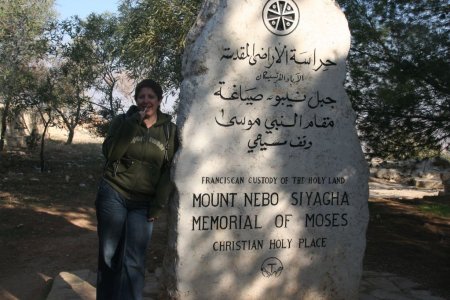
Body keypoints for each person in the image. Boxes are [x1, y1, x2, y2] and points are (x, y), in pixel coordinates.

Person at [95, 79, 178, 300]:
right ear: (136, 100)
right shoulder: (122, 122)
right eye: (141, 96)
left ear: (159, 101)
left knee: (134, 259)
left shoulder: (169, 131)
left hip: (143, 204)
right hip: (114, 194)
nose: (146, 101)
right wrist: (133, 124)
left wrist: (157, 206)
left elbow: (168, 171)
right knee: (109, 255)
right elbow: (111, 153)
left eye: (151, 97)